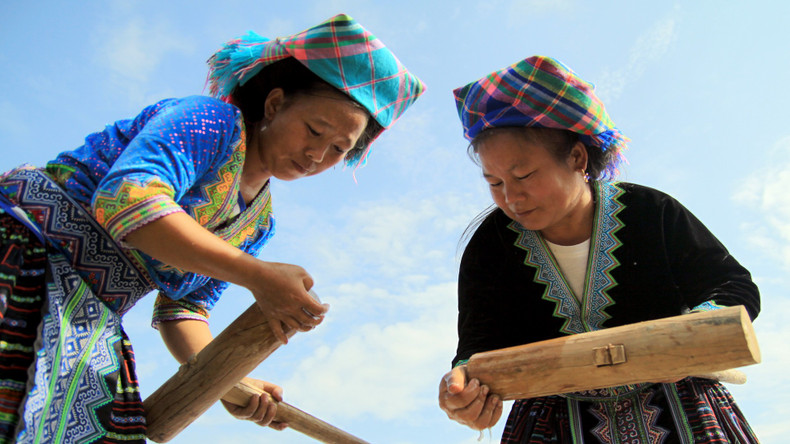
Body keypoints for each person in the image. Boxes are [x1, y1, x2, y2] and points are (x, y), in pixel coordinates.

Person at [0, 13, 424, 443]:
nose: (317, 154)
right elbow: (126, 200)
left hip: (90, 313)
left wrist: (227, 383)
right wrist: (256, 275)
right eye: (314, 130)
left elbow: (183, 309)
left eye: (339, 148)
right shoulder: (212, 121)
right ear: (274, 105)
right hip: (25, 260)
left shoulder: (258, 223)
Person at [437, 56, 759, 443]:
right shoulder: (490, 248)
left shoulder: (649, 212)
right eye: (494, 182)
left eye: (524, 175)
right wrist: (464, 389)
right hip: (553, 419)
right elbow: (477, 346)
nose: (511, 196)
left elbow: (732, 285)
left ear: (576, 157)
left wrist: (691, 337)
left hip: (680, 404)